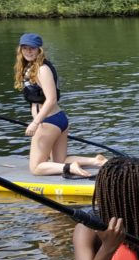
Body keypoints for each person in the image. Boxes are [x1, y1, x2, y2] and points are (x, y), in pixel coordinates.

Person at [12, 32, 106, 178]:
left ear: (39, 50)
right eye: (25, 48)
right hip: (57, 119)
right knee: (58, 160)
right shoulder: (31, 68)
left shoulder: (42, 69)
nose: (28, 51)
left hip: (47, 122)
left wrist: (35, 123)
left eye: (32, 48)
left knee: (36, 168)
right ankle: (96, 161)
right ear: (20, 50)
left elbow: (51, 99)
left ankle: (70, 167)